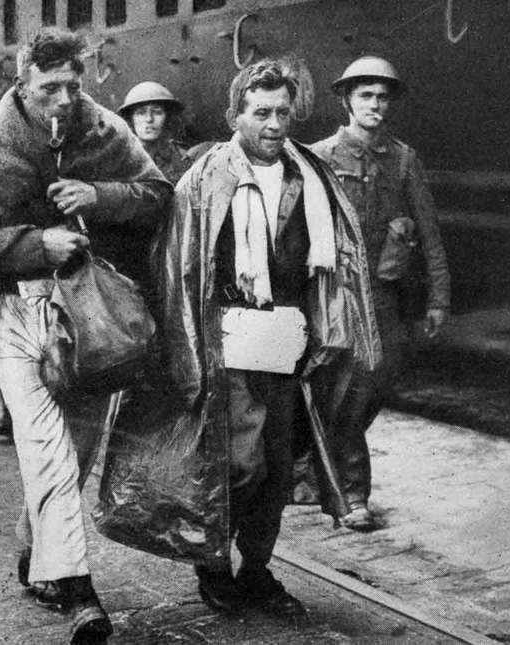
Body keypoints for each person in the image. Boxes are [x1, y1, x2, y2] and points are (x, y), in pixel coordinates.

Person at [0, 28, 171, 643]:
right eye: (50, 87)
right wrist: (34, 244)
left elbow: (158, 195)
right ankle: (78, 593)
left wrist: (98, 195)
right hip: (21, 318)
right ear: (22, 84)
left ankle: (35, 556)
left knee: (74, 456)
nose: (65, 99)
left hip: (95, 320)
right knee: (47, 454)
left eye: (75, 85)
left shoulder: (104, 130)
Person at [156, 57, 381, 616]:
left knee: (279, 468)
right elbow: (178, 266)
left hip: (288, 341)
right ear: (236, 115)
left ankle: (255, 571)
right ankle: (213, 566)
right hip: (225, 342)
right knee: (239, 463)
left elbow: (333, 267)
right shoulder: (205, 179)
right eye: (260, 113)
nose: (274, 124)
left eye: (283, 112)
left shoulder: (310, 176)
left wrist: (328, 332)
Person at [310, 56, 451, 530]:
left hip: (384, 297)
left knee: (374, 387)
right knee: (342, 391)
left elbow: (429, 234)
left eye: (383, 96)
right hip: (335, 296)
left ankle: (323, 472)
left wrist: (438, 300)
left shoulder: (404, 159)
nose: (375, 104)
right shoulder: (320, 156)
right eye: (366, 95)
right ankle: (351, 494)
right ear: (346, 99)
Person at [117, 82, 192, 184]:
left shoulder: (182, 157)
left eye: (157, 112)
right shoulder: (119, 158)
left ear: (168, 118)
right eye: (141, 113)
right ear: (131, 119)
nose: (149, 119)